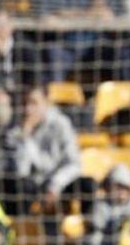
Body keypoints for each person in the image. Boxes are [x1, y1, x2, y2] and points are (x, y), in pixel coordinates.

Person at [10, 84, 84, 216]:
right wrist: (25, 138)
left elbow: (74, 164)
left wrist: (54, 186)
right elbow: (21, 171)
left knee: (87, 185)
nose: (28, 109)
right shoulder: (15, 128)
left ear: (46, 103)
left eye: (34, 103)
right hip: (32, 186)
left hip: (58, 182)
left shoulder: (61, 124)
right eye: (24, 103)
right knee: (21, 186)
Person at [89, 164, 130, 245]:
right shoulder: (102, 205)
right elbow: (96, 234)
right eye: (118, 187)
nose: (121, 191)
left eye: (124, 187)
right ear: (110, 187)